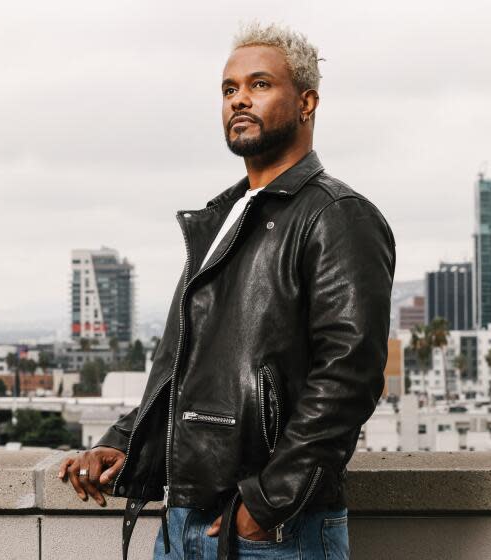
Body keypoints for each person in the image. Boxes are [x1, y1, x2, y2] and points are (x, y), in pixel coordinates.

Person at [58, 20, 396, 560]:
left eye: (260, 85)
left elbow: (350, 376)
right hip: (181, 520)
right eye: (229, 88)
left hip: (275, 531)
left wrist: (267, 504)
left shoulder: (337, 216)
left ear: (307, 102)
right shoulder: (222, 219)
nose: (240, 99)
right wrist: (122, 441)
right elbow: (185, 364)